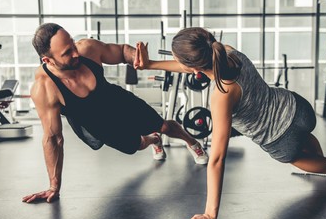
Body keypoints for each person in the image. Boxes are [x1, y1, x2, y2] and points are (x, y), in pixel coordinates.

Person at [134, 27, 326, 219]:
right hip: (297, 108)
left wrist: (210, 214)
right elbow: (193, 65)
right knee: (305, 138)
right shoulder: (228, 52)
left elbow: (216, 159)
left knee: (298, 158)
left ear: (193, 67)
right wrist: (150, 64)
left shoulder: (222, 95)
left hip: (278, 137)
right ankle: (324, 162)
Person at [22, 23, 208, 204]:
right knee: (136, 145)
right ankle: (154, 140)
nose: (75, 53)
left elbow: (120, 51)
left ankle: (191, 141)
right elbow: (53, 138)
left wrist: (137, 57)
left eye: (72, 44)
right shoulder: (45, 88)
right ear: (47, 60)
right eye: (67, 53)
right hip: (97, 124)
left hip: (117, 101)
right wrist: (54, 187)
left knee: (164, 125)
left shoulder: (87, 49)